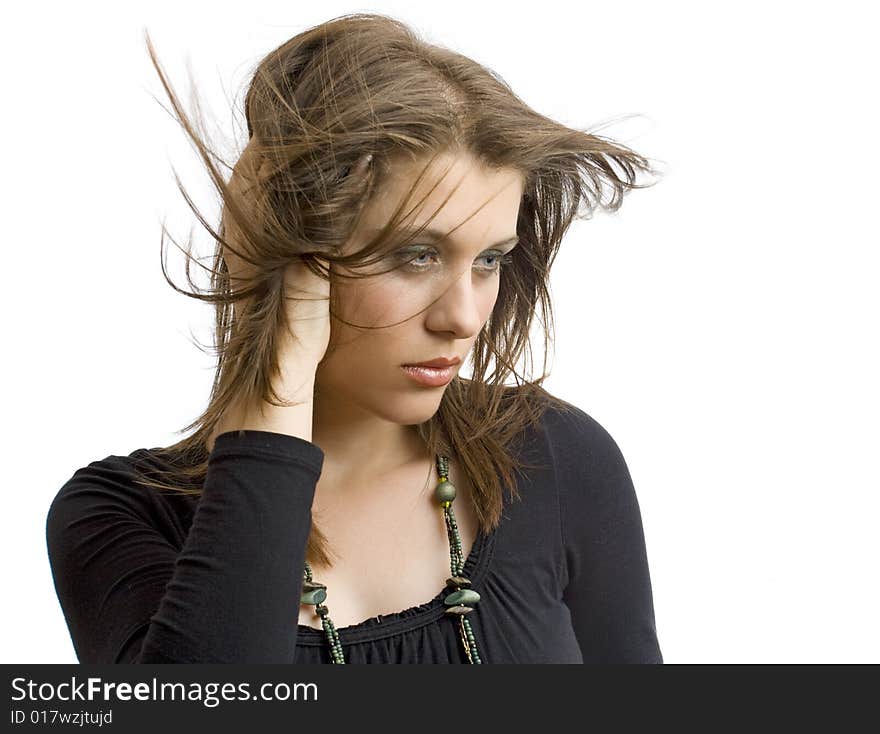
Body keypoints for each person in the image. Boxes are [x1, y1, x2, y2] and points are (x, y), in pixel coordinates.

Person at [46, 12, 664, 664]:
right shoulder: (118, 515)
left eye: (489, 260)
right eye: (417, 255)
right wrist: (276, 374)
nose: (464, 316)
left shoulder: (558, 457)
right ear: (290, 253)